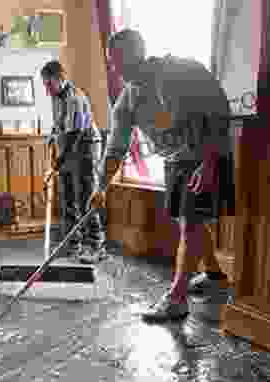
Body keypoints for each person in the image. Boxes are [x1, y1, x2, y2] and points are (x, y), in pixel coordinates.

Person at [89, 29, 233, 321]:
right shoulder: (127, 101)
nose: (115, 68)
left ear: (136, 53)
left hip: (206, 153)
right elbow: (115, 148)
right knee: (187, 219)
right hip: (175, 159)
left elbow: (218, 112)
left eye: (118, 60)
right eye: (112, 62)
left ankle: (177, 299)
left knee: (190, 221)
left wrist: (209, 162)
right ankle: (215, 275)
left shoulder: (179, 72)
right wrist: (100, 186)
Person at [41, 60, 107, 264]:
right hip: (68, 145)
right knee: (68, 196)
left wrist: (57, 164)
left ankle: (97, 246)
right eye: (44, 85)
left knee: (86, 197)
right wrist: (53, 136)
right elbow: (60, 125)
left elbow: (75, 135)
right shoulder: (55, 96)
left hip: (85, 145)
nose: (47, 89)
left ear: (61, 79)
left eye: (49, 84)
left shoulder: (74, 98)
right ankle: (73, 245)